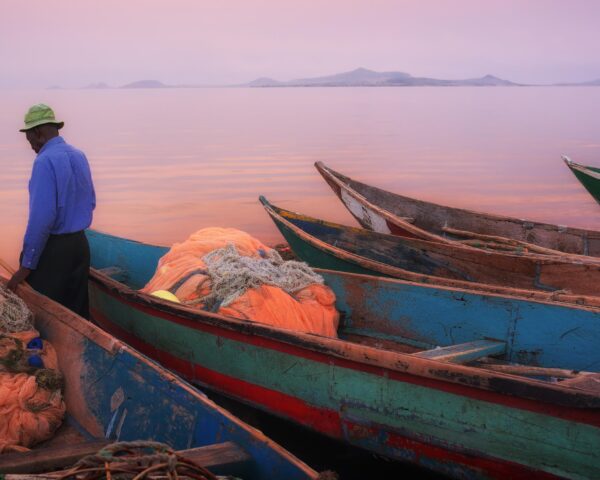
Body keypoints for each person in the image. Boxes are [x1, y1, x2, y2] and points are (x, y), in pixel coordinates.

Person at [7, 104, 96, 318]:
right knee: (77, 315)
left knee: (46, 316)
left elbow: (42, 219)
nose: (30, 146)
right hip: (80, 247)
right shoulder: (79, 155)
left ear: (37, 133)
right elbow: (91, 201)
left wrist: (26, 266)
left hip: (55, 252)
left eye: (29, 139)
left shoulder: (44, 161)